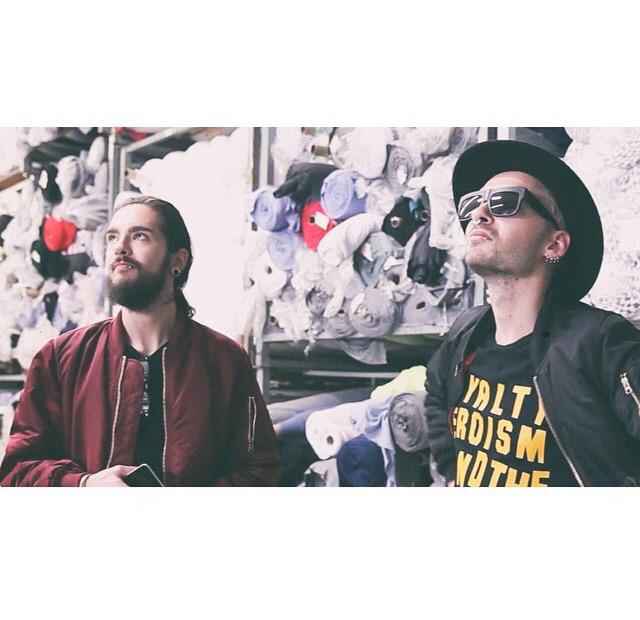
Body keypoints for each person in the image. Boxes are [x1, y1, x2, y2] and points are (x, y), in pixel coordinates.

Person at [0, 195, 281, 486]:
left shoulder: (224, 361)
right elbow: (18, 470)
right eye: (112, 237)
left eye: (139, 236)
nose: (120, 247)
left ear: (177, 260)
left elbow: (258, 468)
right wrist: (84, 484)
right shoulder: (61, 358)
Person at [425, 140, 640, 487]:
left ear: (554, 244)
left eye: (504, 201)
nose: (479, 213)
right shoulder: (465, 331)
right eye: (473, 203)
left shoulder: (600, 343)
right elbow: (435, 396)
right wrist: (453, 473)